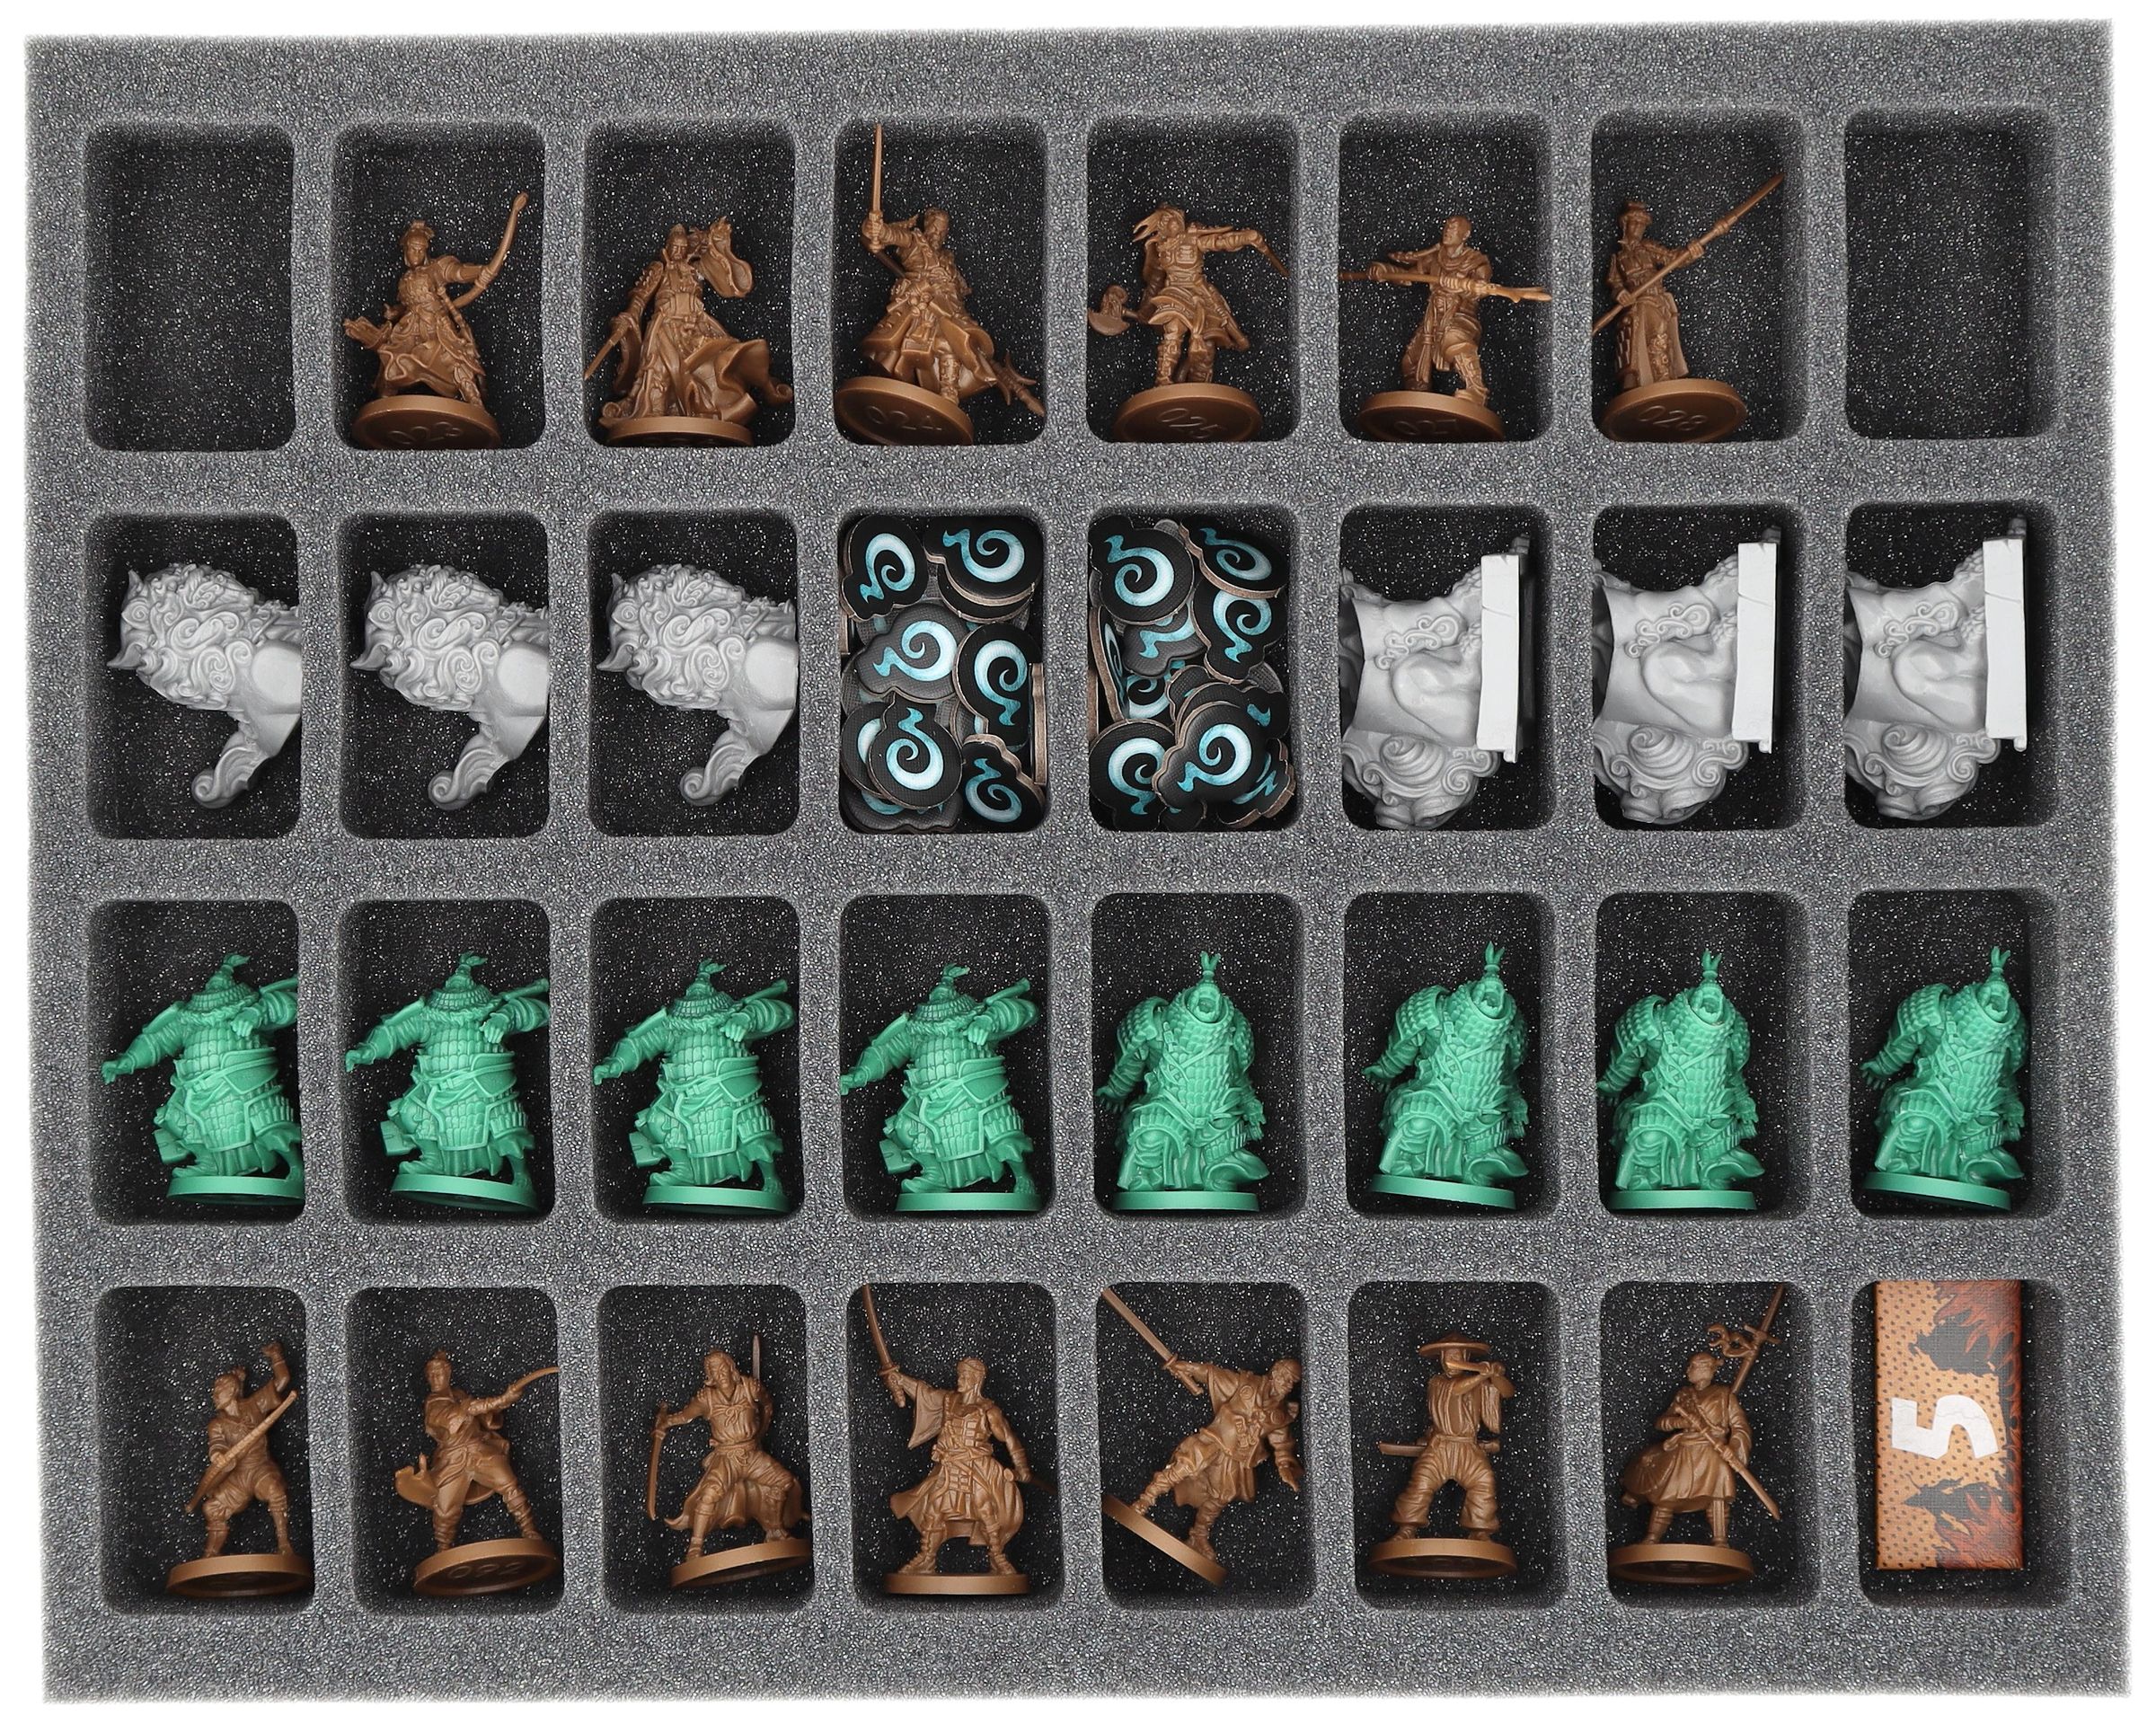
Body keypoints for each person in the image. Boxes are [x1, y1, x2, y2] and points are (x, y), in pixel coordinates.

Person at [1128, 1356, 1301, 1563]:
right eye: (1285, 1377)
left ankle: (1198, 1536)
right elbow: (1214, 1375)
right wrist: (1189, 1367)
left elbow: (1282, 1444)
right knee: (1183, 1467)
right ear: (1275, 1372)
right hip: (1215, 1441)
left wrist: (1284, 1466)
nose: (1287, 1384)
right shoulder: (1247, 1385)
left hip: (1235, 1459)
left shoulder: (1280, 1415)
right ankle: (1144, 1502)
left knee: (1221, 1497)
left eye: (1292, 1381)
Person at [879, 1354, 1032, 1577]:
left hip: (977, 1467)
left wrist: (1022, 1468)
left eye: (964, 1376)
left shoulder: (988, 1410)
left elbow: (1008, 1438)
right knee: (934, 1509)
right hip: (949, 1466)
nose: (959, 1379)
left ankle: (997, 1557)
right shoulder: (949, 1401)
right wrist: (899, 1379)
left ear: (976, 1379)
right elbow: (924, 1393)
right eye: (959, 1375)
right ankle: (927, 1558)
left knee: (985, 1508)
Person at [658, 1350, 803, 1558]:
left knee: (783, 1481)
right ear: (710, 1376)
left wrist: (759, 1433)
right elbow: (684, 1417)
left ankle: (775, 1531)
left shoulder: (750, 1388)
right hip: (727, 1458)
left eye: (722, 1367)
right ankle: (696, 1546)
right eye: (714, 1371)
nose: (720, 1373)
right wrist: (665, 1422)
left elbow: (767, 1405)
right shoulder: (706, 1398)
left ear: (730, 1367)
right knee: (710, 1494)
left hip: (752, 1454)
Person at [1620, 1350, 1752, 1547]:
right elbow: (1661, 1422)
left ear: (1704, 1369)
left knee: (1717, 1496)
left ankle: (1720, 1540)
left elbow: (1740, 1425)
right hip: (1684, 1450)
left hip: (1712, 1450)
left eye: (1692, 1366)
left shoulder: (1724, 1395)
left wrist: (1733, 1447)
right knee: (1667, 1495)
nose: (1687, 1371)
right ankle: (1653, 1537)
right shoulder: (1684, 1395)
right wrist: (1679, 1422)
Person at [1604, 200, 1701, 393]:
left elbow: (1672, 258)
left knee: (1660, 335)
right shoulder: (1619, 258)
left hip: (1655, 299)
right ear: (1625, 224)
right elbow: (1614, 282)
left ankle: (1664, 378)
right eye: (1635, 223)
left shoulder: (1648, 247)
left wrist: (1690, 253)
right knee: (1641, 344)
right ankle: (1646, 383)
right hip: (1638, 305)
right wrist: (1620, 293)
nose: (1638, 228)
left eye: (1642, 224)